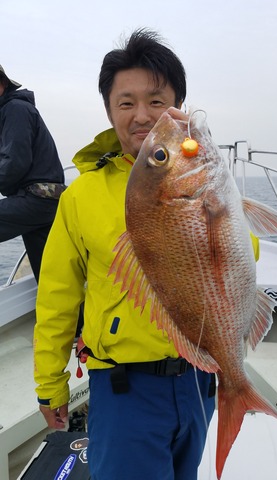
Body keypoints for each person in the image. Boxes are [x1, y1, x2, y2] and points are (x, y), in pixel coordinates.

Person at [34, 29, 216, 480]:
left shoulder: (203, 176)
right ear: (110, 110)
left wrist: (210, 184)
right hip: (124, 387)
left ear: (178, 106)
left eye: (156, 101)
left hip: (199, 380)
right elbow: (58, 295)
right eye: (126, 102)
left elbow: (241, 257)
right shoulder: (82, 195)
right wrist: (49, 384)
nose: (142, 116)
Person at [0, 65, 65, 283]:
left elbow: (15, 161)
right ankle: (75, 318)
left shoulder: (15, 109)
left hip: (37, 199)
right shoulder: (16, 110)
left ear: (2, 84)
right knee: (49, 275)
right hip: (45, 200)